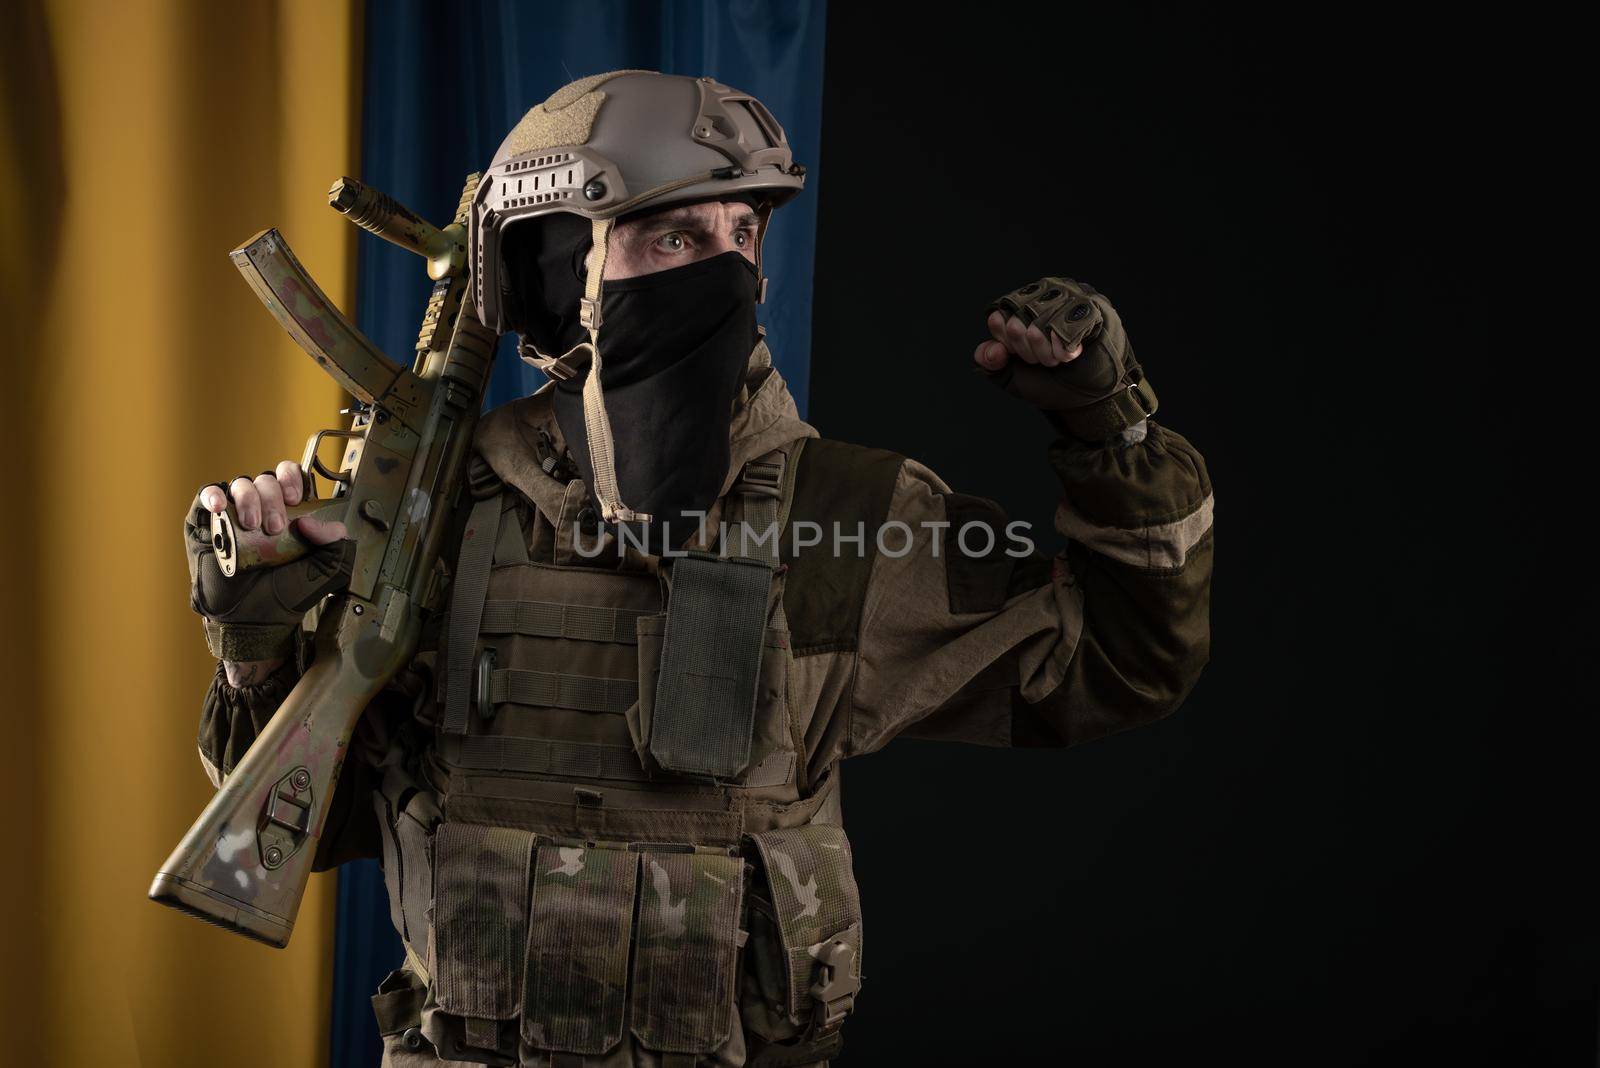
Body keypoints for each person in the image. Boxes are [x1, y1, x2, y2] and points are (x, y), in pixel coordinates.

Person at [184, 70, 1214, 1067]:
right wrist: (255, 655)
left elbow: (1117, 666)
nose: (726, 273)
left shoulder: (845, 516)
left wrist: (1108, 429)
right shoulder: (439, 510)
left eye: (743, 233)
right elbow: (305, 829)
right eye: (674, 234)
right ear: (554, 270)